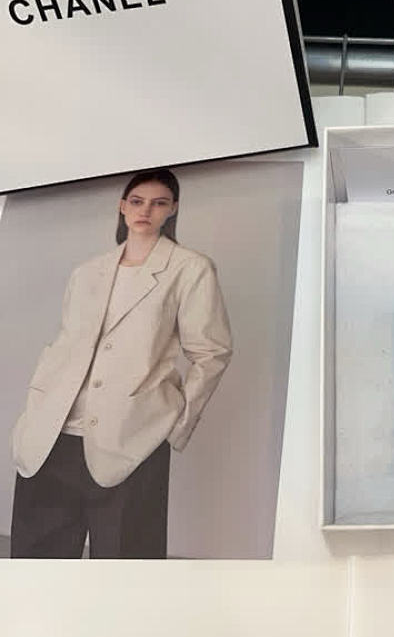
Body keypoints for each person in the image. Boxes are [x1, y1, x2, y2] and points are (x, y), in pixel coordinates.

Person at [10, 168, 233, 558]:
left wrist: (176, 424)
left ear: (173, 209)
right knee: (37, 560)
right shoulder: (87, 272)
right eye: (137, 201)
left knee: (127, 560)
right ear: (122, 206)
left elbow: (211, 352)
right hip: (53, 435)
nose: (145, 210)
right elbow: (65, 344)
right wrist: (36, 405)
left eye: (159, 203)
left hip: (132, 436)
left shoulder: (191, 268)